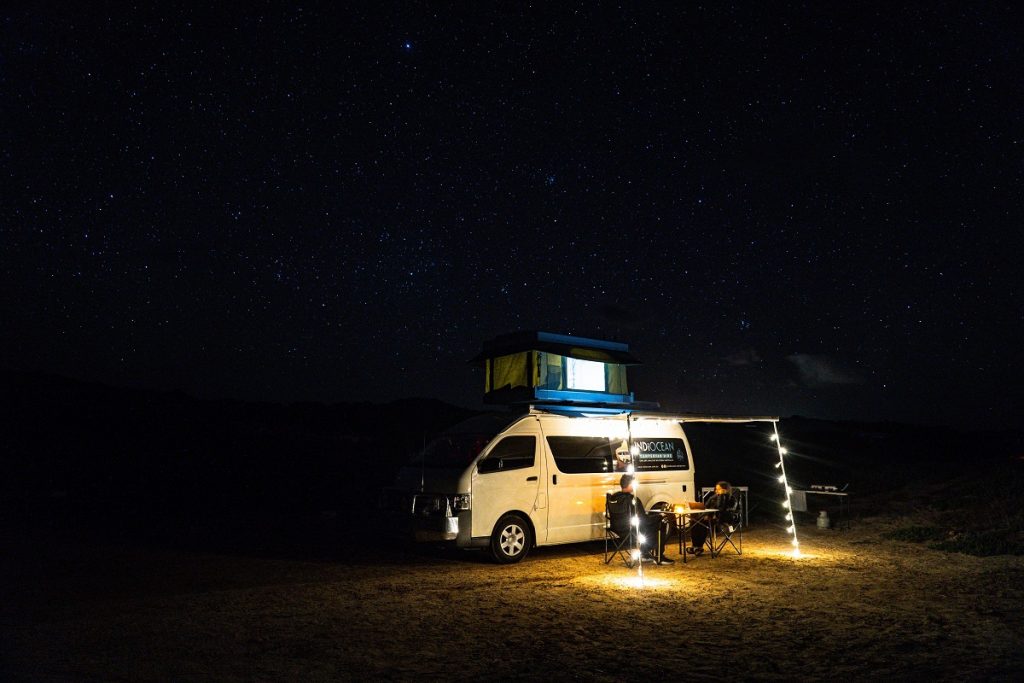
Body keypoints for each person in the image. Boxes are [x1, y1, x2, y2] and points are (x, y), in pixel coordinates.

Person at [608, 474, 674, 564]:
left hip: (616, 528)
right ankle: (658, 556)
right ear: (630, 485)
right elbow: (643, 519)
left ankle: (645, 553)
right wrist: (660, 516)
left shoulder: (613, 498)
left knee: (648, 524)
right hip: (631, 529)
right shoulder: (633, 499)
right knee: (661, 521)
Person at [688, 480, 739, 555]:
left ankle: (698, 547)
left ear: (725, 490)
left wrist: (722, 496)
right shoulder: (713, 497)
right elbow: (706, 506)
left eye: (718, 489)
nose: (716, 491)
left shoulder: (732, 499)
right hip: (710, 517)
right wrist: (706, 514)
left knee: (702, 523)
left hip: (721, 519)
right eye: (716, 489)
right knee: (694, 521)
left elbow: (721, 509)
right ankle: (695, 546)